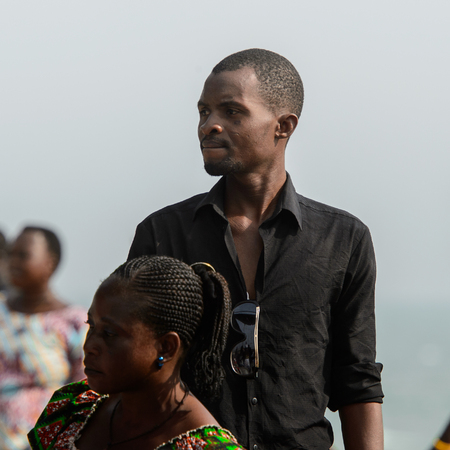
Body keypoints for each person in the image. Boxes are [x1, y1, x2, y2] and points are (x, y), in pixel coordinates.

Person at [127, 48, 384, 450]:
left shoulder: (343, 239)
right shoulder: (162, 233)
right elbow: (134, 368)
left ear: (283, 126)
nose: (209, 126)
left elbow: (358, 379)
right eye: (203, 112)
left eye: (231, 112)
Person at [28, 255, 245, 450]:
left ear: (166, 347)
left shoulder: (208, 447)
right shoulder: (74, 407)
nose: (89, 345)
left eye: (110, 334)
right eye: (91, 325)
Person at [0, 226, 86, 450]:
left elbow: (84, 389)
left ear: (50, 263)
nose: (14, 262)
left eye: (23, 255)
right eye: (11, 255)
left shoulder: (73, 322)